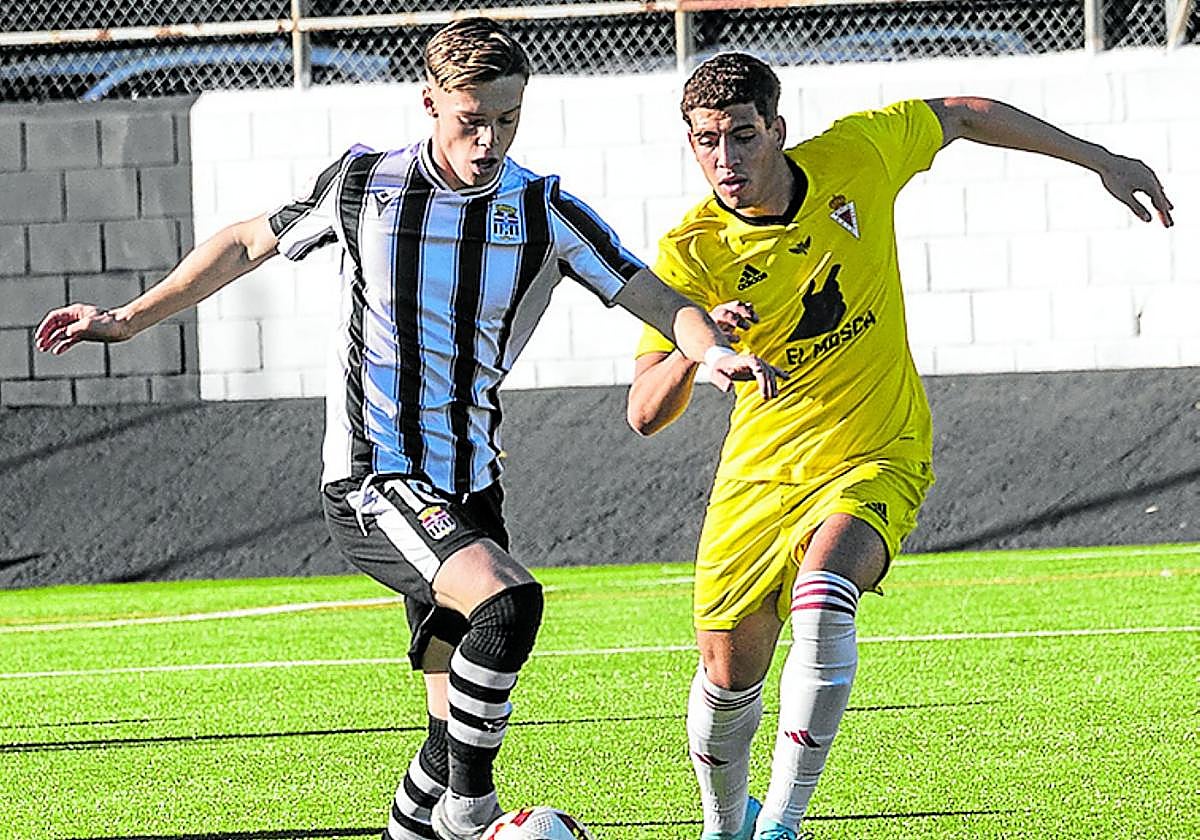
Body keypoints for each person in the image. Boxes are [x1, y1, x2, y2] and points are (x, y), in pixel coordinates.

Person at [34, 21, 782, 840]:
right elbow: (247, 243)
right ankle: (475, 817)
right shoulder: (366, 184)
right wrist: (128, 319)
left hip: (470, 486)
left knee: (447, 731)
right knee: (509, 603)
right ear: (430, 104)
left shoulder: (541, 208)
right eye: (471, 121)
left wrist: (711, 350)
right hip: (374, 477)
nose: (489, 142)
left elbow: (652, 293)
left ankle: (434, 819)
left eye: (507, 120)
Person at [627, 52, 1173, 840]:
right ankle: (726, 825)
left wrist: (1101, 160)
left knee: (824, 598)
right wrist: (698, 347)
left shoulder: (857, 156)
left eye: (742, 136)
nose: (725, 159)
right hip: (758, 480)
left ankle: (781, 825)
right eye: (706, 141)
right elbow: (644, 412)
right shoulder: (690, 253)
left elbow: (963, 113)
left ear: (777, 130)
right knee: (727, 674)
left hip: (876, 452)